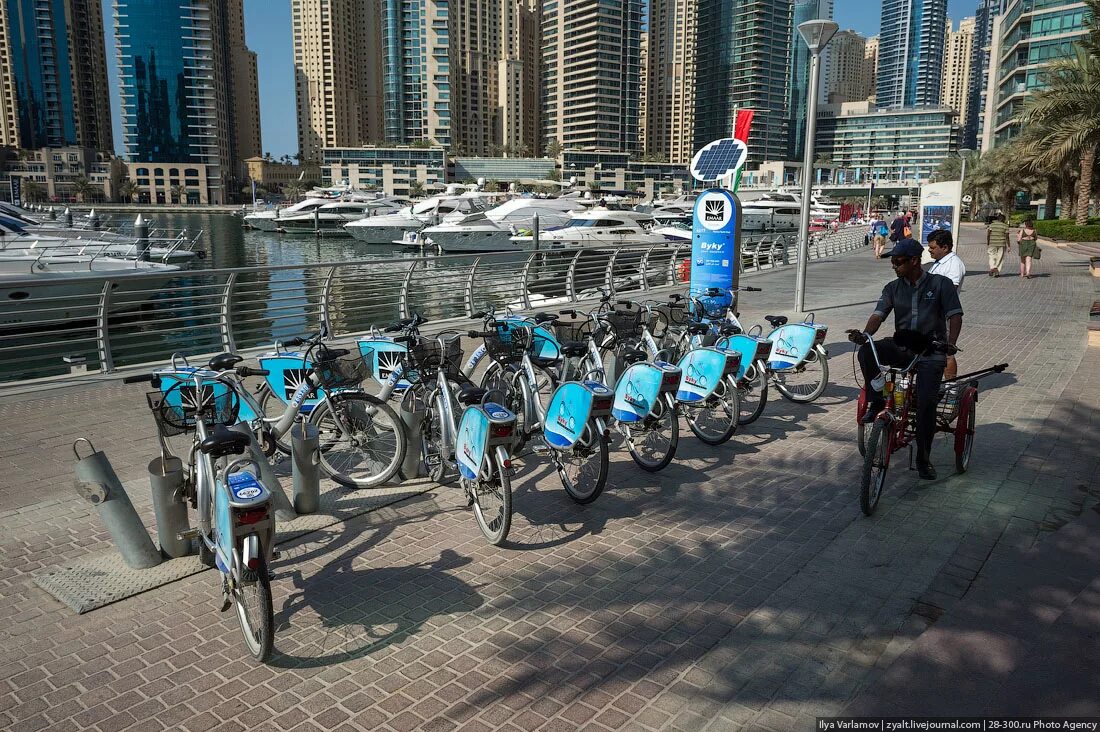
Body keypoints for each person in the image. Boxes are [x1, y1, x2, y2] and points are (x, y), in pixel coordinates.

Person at [848, 239, 963, 480]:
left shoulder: (941, 284)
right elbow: (878, 315)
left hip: (932, 350)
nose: (894, 266)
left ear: (914, 261)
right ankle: (877, 399)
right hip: (903, 346)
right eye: (892, 262)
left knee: (925, 407)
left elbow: (954, 315)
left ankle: (923, 458)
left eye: (898, 262)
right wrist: (866, 334)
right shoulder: (892, 288)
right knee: (867, 351)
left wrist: (950, 343)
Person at [926, 230, 964, 379]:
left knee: (947, 352)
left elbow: (949, 291)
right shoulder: (937, 263)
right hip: (931, 315)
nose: (929, 250)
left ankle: (951, 386)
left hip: (944, 315)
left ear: (945, 247)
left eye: (933, 248)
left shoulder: (954, 264)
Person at [986, 213, 1010, 277]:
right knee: (1000, 257)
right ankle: (996, 270)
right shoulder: (1005, 226)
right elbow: (1007, 236)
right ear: (1003, 219)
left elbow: (988, 234)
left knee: (991, 256)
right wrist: (1009, 246)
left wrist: (988, 242)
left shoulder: (992, 225)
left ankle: (993, 267)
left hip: (992, 243)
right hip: (1001, 244)